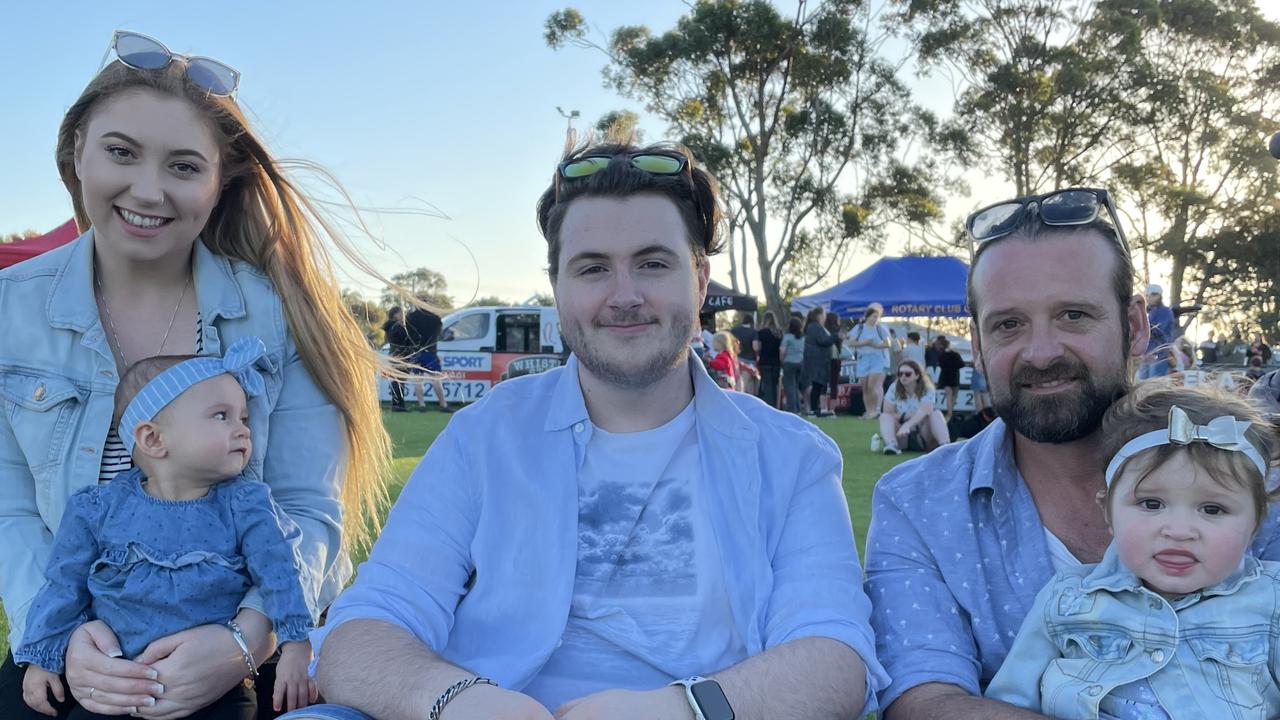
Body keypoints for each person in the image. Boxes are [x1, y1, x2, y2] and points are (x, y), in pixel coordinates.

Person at [297, 141, 886, 720]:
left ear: (700, 281)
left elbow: (836, 658)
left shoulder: (792, 458)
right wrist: (460, 700)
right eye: (593, 268)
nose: (624, 295)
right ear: (558, 287)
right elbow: (363, 629)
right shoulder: (484, 438)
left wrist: (685, 709)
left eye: (653, 264)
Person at [0, 32, 390, 719]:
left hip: (246, 650)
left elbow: (308, 513)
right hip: (71, 649)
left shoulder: (282, 315)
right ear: (76, 152)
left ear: (220, 182)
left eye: (184, 166)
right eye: (121, 153)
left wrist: (244, 640)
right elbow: (11, 511)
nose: (147, 190)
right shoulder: (9, 309)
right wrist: (54, 634)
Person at [863, 188, 1280, 719]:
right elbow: (923, 700)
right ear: (978, 339)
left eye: (1074, 315)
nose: (1041, 352)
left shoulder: (1251, 478)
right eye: (1008, 324)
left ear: (1134, 325)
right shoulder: (920, 503)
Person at [17, 341, 317, 719]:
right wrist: (44, 656)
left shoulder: (246, 504)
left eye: (243, 417)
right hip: (114, 683)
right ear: (153, 439)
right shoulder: (99, 508)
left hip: (217, 687)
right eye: (221, 416)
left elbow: (282, 571)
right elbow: (63, 582)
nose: (243, 430)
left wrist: (295, 645)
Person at [986, 382, 1280, 718]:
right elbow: (1010, 704)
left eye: (1212, 509)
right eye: (1151, 503)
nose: (1179, 531)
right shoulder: (1067, 601)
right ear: (1108, 512)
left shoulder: (1270, 602)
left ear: (1255, 523)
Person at [878, 360, 949, 456]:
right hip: (902, 435)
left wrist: (907, 425)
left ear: (917, 375)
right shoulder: (894, 388)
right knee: (884, 416)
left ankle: (945, 446)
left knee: (936, 414)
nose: (903, 377)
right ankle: (891, 444)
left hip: (923, 432)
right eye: (900, 374)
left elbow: (926, 410)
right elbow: (888, 413)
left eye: (907, 374)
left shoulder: (927, 389)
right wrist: (906, 416)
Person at [404, 305, 454, 413]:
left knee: (418, 380)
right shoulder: (435, 318)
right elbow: (439, 333)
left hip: (416, 352)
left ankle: (422, 405)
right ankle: (443, 404)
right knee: (436, 379)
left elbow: (406, 333)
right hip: (430, 351)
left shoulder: (410, 317)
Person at [849, 304, 891, 420]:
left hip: (876, 359)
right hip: (863, 358)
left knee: (872, 386)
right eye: (873, 316)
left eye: (877, 317)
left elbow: (888, 343)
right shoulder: (859, 328)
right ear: (867, 317)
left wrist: (876, 345)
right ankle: (868, 411)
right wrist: (865, 343)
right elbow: (851, 342)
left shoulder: (880, 328)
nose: (875, 319)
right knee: (865, 388)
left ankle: (874, 410)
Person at [802, 307, 837, 418]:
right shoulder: (815, 327)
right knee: (816, 385)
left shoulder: (814, 327)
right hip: (817, 361)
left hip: (818, 360)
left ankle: (815, 409)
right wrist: (835, 336)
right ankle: (813, 409)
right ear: (819, 315)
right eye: (824, 314)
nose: (825, 317)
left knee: (818, 385)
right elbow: (823, 341)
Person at [1138, 284, 1176, 379]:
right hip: (1147, 355)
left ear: (1158, 296)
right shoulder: (1151, 313)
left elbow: (1156, 330)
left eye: (1151, 295)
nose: (1148, 298)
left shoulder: (1165, 311)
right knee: (1142, 387)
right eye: (1146, 295)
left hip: (1159, 356)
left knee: (1153, 387)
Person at [382, 306, 412, 412]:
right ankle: (399, 404)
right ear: (396, 314)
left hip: (394, 354)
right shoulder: (398, 326)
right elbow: (406, 340)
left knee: (397, 381)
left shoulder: (390, 326)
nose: (403, 315)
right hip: (401, 356)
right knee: (399, 381)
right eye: (401, 313)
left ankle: (397, 403)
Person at [755, 311, 782, 409]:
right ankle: (774, 404)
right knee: (774, 385)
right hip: (776, 362)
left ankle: (767, 406)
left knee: (766, 384)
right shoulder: (779, 333)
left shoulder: (761, 333)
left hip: (765, 361)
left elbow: (758, 347)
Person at [780, 316, 806, 414]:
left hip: (789, 362)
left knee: (789, 386)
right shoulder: (802, 338)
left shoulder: (788, 337)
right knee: (796, 387)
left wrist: (782, 360)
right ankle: (798, 407)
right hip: (800, 362)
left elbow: (782, 351)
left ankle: (792, 408)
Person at [935, 336, 964, 422]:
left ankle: (949, 413)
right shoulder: (955, 354)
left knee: (948, 396)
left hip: (945, 377)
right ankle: (951, 411)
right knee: (954, 396)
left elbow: (940, 365)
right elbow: (961, 364)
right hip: (955, 377)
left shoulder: (941, 355)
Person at [729, 313, 758, 395]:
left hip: (737, 358)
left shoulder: (734, 330)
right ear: (751, 322)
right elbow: (755, 347)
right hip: (750, 360)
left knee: (738, 380)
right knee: (750, 383)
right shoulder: (753, 332)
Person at [825, 312, 845, 414]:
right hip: (836, 359)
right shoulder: (838, 331)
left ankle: (823, 408)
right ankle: (832, 409)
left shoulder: (824, 330)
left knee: (823, 384)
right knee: (834, 384)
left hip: (825, 359)